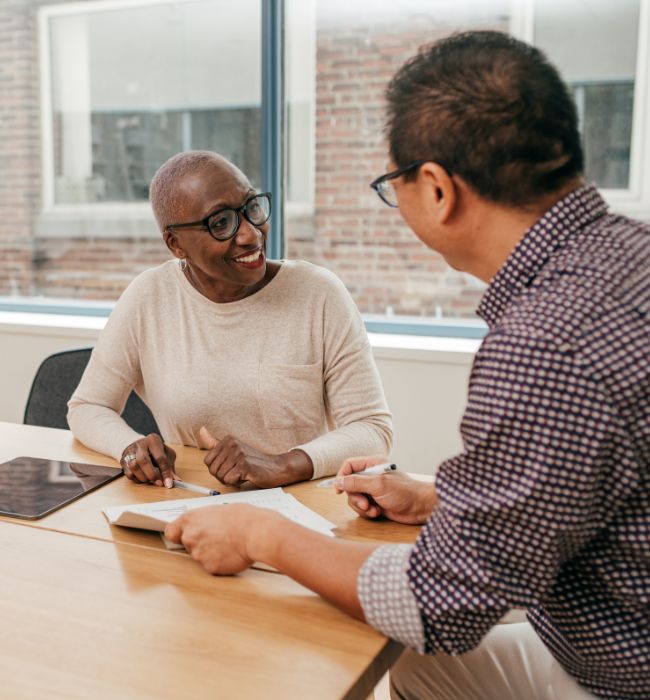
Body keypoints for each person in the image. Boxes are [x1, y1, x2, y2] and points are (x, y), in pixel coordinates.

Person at [163, 31, 649, 700]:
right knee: (419, 672)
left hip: (623, 668)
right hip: (616, 629)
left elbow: (442, 604)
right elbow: (594, 479)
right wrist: (434, 497)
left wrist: (260, 533)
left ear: (438, 189)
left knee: (405, 650)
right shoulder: (630, 255)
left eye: (395, 186)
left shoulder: (544, 344)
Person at [67, 151, 392, 490]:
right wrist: (129, 448)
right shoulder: (149, 297)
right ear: (176, 244)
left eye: (251, 207)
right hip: (187, 501)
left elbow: (372, 430)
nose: (251, 234)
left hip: (298, 506)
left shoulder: (319, 294)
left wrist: (283, 464)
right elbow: (88, 406)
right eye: (220, 223)